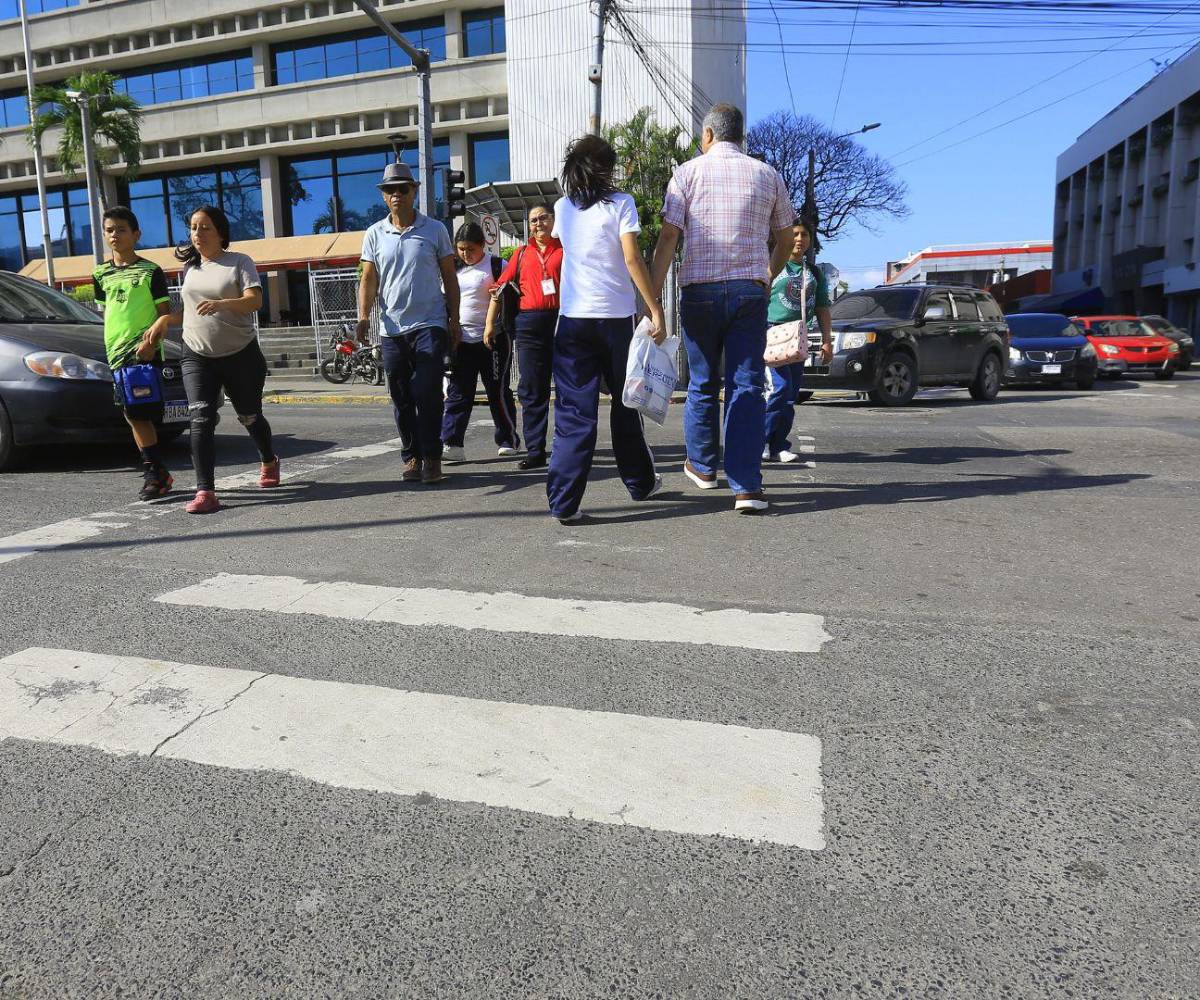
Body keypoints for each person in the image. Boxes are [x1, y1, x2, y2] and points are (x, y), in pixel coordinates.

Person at [651, 102, 794, 514]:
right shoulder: (768, 175)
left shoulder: (687, 173)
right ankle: (747, 486)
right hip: (749, 291)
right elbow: (785, 239)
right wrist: (765, 274)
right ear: (740, 137)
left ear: (709, 135)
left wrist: (651, 299)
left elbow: (667, 239)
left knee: (702, 382)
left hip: (700, 292)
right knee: (747, 385)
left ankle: (702, 467)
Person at [547, 135, 667, 524]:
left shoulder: (562, 208)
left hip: (572, 323)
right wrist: (654, 307)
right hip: (615, 320)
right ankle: (639, 483)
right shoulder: (621, 204)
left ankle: (565, 503)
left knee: (573, 413)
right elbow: (632, 259)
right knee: (625, 402)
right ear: (606, 167)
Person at [146, 205, 277, 515]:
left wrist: (223, 304)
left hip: (240, 354)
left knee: (249, 416)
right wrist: (166, 321)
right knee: (200, 420)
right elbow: (191, 311)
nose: (197, 233)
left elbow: (255, 301)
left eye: (205, 227)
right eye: (193, 227)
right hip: (196, 353)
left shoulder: (239, 262)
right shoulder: (190, 270)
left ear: (220, 232)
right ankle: (206, 491)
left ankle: (269, 459)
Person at [357, 162, 460, 485]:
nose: (397, 194)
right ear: (384, 196)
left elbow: (449, 276)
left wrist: (454, 318)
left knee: (427, 390)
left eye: (403, 188)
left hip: (430, 323)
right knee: (401, 396)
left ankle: (431, 456)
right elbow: (369, 278)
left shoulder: (435, 229)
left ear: (414, 191)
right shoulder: (375, 233)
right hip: (392, 329)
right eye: (391, 190)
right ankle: (411, 455)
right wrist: (363, 316)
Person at [93, 206, 173, 500]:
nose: (115, 235)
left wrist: (151, 344)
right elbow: (110, 312)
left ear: (136, 234)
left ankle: (156, 472)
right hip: (115, 353)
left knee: (141, 413)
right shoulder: (100, 273)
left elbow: (165, 313)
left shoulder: (151, 271)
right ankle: (157, 472)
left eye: (122, 229)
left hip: (144, 352)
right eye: (110, 230)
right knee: (132, 415)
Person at [484, 204, 562, 470]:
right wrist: (489, 325)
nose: (538, 224)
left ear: (553, 220)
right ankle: (536, 449)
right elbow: (499, 287)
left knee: (567, 386)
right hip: (528, 324)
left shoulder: (566, 249)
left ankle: (566, 448)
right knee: (532, 389)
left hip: (561, 320)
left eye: (543, 218)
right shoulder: (520, 253)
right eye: (532, 220)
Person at [441, 221, 520, 462]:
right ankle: (452, 443)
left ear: (482, 245)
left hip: (493, 339)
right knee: (458, 392)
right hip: (460, 340)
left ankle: (508, 439)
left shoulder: (497, 266)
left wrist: (494, 326)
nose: (466, 254)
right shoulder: (452, 269)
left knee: (498, 390)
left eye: (471, 249)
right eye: (461, 249)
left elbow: (508, 295)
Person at [764, 219, 833, 463]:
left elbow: (823, 307)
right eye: (794, 234)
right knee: (778, 390)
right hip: (771, 334)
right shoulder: (772, 265)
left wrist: (827, 340)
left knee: (790, 394)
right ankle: (761, 440)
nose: (799, 239)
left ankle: (778, 445)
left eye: (804, 234)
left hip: (798, 337)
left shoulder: (813, 273)